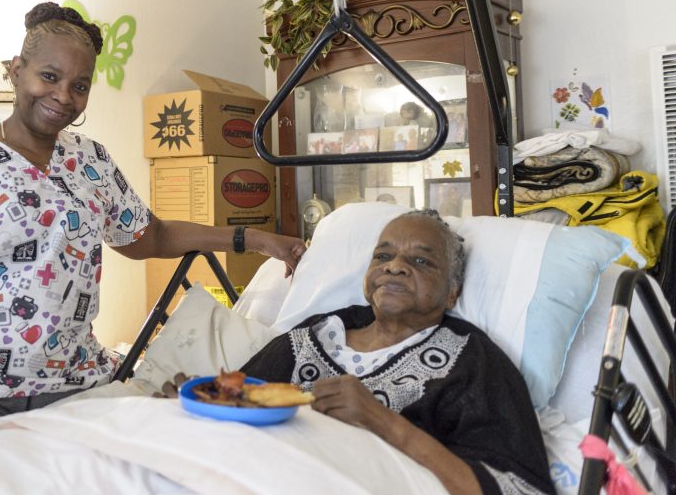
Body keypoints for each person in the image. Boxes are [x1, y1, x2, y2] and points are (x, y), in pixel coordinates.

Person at [0, 1, 307, 475]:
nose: (64, 96)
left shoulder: (90, 162)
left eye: (80, 85)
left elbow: (150, 236)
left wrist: (254, 238)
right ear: (15, 70)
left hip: (69, 383)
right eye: (49, 76)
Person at [164, 210, 553, 495]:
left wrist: (380, 419)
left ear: (452, 291)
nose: (395, 267)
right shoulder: (314, 336)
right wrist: (192, 408)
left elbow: (518, 489)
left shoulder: (469, 360)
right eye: (383, 256)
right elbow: (238, 407)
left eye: (421, 261)